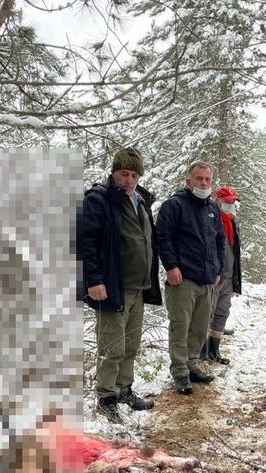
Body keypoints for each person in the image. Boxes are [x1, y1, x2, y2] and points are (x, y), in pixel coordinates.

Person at [77, 147, 160, 423]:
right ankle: (106, 398)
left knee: (131, 343)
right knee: (111, 345)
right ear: (114, 172)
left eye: (134, 174)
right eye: (124, 173)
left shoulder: (140, 200)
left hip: (138, 285)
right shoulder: (98, 200)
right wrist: (94, 280)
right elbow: (85, 243)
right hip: (112, 286)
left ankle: (124, 390)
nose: (129, 179)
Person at [157, 161, 225, 395]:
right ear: (189, 181)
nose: (204, 183)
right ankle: (179, 372)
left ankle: (191, 364)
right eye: (199, 179)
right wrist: (171, 266)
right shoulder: (174, 206)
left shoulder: (213, 209)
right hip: (182, 278)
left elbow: (219, 241)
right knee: (180, 326)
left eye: (207, 179)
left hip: (207, 278)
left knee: (199, 327)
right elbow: (163, 238)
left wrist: (218, 269)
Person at [200, 185, 242, 365]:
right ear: (218, 201)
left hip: (229, 275)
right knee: (207, 313)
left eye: (233, 202)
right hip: (215, 275)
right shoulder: (211, 218)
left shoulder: (232, 221)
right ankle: (202, 352)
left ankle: (215, 349)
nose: (231, 205)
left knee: (222, 312)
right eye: (228, 202)